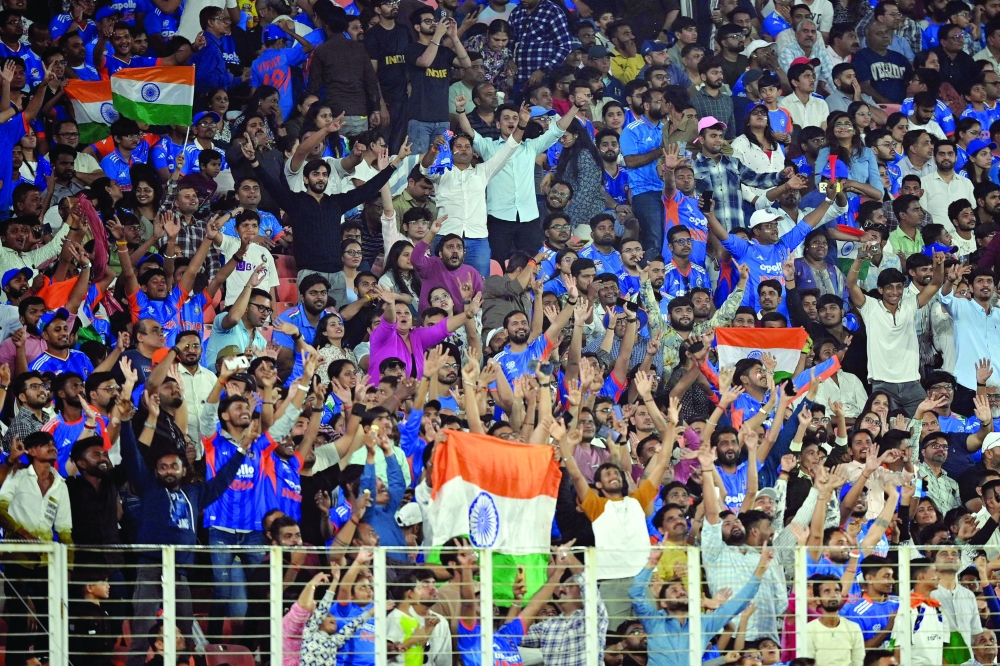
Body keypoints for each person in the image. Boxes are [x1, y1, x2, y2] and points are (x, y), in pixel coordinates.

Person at [847, 251, 945, 415]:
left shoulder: (909, 305)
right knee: (887, 432)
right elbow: (851, 285)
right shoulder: (870, 307)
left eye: (899, 287)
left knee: (924, 424)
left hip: (912, 382)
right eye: (889, 287)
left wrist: (939, 265)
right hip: (882, 384)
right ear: (880, 289)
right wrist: (858, 260)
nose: (895, 292)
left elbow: (935, 284)